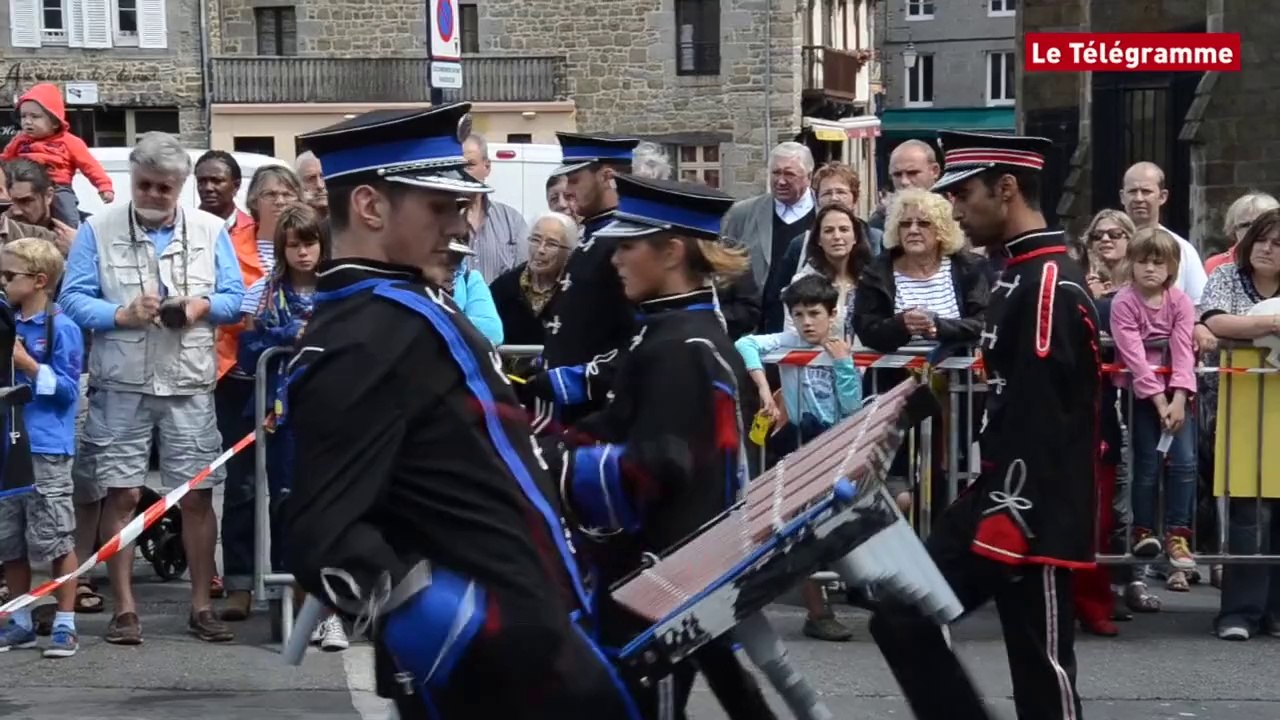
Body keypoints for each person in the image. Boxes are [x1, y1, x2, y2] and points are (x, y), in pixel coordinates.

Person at [284, 104, 641, 719]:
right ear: (370, 207)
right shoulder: (362, 333)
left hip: (536, 624)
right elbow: (322, 528)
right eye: (441, 208)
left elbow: (468, 448)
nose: (465, 227)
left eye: (464, 207)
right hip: (493, 663)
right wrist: (459, 627)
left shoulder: (407, 305)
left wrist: (591, 470)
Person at [868, 131, 1099, 720]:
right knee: (899, 612)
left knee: (1042, 672)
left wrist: (1014, 515)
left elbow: (1049, 418)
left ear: (1007, 189)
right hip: (995, 492)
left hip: (1030, 511)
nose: (956, 209)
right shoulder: (1014, 272)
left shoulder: (1049, 282)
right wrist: (891, 417)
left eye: (965, 194)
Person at [541, 174, 774, 720]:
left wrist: (553, 465)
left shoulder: (681, 345)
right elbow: (622, 420)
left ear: (671, 251)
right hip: (675, 571)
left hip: (663, 574)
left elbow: (660, 464)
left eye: (627, 246)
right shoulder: (673, 330)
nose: (614, 258)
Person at [58, 131, 246, 645]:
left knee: (198, 496)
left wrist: (200, 306)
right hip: (122, 383)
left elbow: (236, 298)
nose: (154, 195)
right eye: (145, 185)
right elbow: (73, 298)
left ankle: (200, 605)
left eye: (165, 188)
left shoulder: (210, 229)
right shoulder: (98, 229)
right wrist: (119, 314)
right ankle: (124, 608)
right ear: (131, 181)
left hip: (188, 384)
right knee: (120, 494)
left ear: (181, 186)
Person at [735, 273, 863, 642]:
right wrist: (763, 386)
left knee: (839, 523)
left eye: (814, 314)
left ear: (832, 313)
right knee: (801, 526)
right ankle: (818, 611)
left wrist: (843, 366)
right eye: (799, 314)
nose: (807, 322)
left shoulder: (843, 347)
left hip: (838, 447)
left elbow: (852, 407)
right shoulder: (789, 342)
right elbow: (746, 343)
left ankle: (863, 589)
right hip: (799, 446)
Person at [0, 237, 83, 657]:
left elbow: (68, 390)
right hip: (6, 446)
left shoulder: (60, 327)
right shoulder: (4, 321)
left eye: (8, 275)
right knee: (8, 539)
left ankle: (65, 622)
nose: (1, 281)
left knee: (54, 535)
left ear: (38, 281)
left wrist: (30, 365)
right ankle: (19, 619)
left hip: (46, 446)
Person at [524, 132, 640, 424]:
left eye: (575, 180)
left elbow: (640, 337)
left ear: (607, 176)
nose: (567, 190)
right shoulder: (594, 236)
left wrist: (576, 380)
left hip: (600, 411)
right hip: (571, 412)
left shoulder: (624, 243)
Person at [1109, 228, 1198, 575]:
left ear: (1171, 267)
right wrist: (1159, 403)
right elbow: (1133, 355)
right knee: (1146, 463)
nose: (1150, 269)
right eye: (1143, 261)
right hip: (1142, 394)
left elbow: (1182, 351)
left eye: (1158, 262)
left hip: (1178, 393)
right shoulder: (1124, 302)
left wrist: (1178, 398)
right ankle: (1142, 529)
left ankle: (1178, 532)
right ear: (1131, 265)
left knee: (1185, 463)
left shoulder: (1180, 302)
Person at [1, 84, 113, 228]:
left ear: (54, 122)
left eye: (35, 117)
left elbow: (90, 166)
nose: (27, 121)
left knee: (65, 212)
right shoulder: (19, 140)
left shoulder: (70, 142)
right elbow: (4, 160)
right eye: (23, 116)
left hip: (59, 186)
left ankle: (70, 234)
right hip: (24, 185)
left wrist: (104, 186)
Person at [490, 211, 579, 347]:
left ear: (569, 252)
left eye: (551, 244)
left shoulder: (576, 289)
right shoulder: (504, 287)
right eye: (535, 240)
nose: (540, 250)